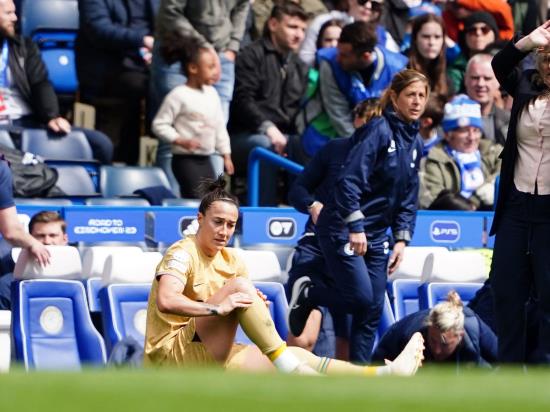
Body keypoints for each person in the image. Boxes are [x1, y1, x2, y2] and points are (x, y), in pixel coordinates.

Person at [143, 175, 425, 375]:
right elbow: (167, 300)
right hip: (172, 358)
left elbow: (236, 304)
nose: (224, 231)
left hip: (213, 355)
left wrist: (251, 303)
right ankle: (288, 368)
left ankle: (382, 376)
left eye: (231, 225)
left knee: (299, 355)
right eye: (217, 222)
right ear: (200, 219)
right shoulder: (182, 251)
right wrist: (220, 306)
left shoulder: (233, 259)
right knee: (242, 290)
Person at [289, 69, 429, 363]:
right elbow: (348, 182)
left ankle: (361, 376)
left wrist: (402, 239)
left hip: (377, 235)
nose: (416, 102)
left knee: (372, 308)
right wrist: (355, 226)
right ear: (394, 97)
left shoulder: (415, 144)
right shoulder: (378, 131)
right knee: (360, 299)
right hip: (343, 228)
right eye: (410, 95)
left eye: (422, 96)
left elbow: (408, 197)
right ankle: (312, 294)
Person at [286, 97, 379, 359]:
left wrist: (398, 241)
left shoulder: (390, 161)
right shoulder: (335, 149)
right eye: (364, 123)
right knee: (303, 339)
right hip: (316, 248)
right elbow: (297, 189)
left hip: (354, 256)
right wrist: (312, 204)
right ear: (355, 121)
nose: (368, 131)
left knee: (348, 346)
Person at [490, 20, 550, 364]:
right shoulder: (525, 84)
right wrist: (528, 40)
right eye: (547, 54)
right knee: (505, 291)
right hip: (517, 203)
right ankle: (509, 370)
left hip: (549, 212)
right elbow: (500, 65)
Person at [149, 0, 250, 193]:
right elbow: (170, 12)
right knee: (174, 134)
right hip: (178, 53)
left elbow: (242, 6)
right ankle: (171, 209)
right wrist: (203, 47)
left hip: (222, 55)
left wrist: (233, 46)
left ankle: (211, 207)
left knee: (213, 132)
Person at [0, 0, 113, 164]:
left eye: (15, 12)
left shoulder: (24, 47)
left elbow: (40, 83)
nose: (15, 18)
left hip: (24, 122)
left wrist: (51, 116)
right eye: (8, 13)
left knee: (101, 144)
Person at [229, 1, 309, 206]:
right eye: (292, 27)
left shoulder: (299, 65)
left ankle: (302, 213)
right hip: (244, 136)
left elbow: (298, 112)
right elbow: (242, 101)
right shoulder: (251, 54)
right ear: (273, 24)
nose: (299, 34)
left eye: (302, 29)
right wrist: (269, 129)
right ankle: (264, 217)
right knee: (265, 146)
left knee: (307, 144)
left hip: (283, 137)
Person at [298, 21, 407, 158]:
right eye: (339, 51)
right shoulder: (330, 64)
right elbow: (338, 114)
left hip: (374, 143)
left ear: (365, 56)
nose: (338, 58)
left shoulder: (396, 69)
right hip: (326, 138)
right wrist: (363, 149)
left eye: (344, 55)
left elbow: (397, 116)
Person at [75, 0, 159, 165]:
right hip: (108, 65)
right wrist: (142, 40)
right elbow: (98, 29)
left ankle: (159, 157)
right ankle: (116, 163)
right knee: (137, 86)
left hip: (147, 62)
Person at [152, 36, 233, 199]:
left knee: (213, 199)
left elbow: (219, 126)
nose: (216, 72)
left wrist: (226, 154)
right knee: (199, 198)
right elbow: (159, 124)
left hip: (206, 158)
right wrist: (180, 140)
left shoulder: (212, 93)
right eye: (210, 67)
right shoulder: (178, 94)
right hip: (184, 159)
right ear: (193, 68)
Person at [419, 95, 502, 210]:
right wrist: (470, 203)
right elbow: (432, 199)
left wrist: (490, 186)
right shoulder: (433, 160)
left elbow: (509, 172)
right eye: (464, 131)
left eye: (476, 130)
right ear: (448, 135)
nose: (472, 137)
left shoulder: (494, 152)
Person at [373, 291, 498, 367]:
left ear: (460, 335)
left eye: (445, 344)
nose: (437, 350)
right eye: (433, 340)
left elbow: (506, 363)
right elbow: (376, 366)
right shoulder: (407, 334)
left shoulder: (474, 328)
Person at [0, 185, 54, 309]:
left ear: (65, 238)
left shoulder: (79, 283)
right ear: (29, 239)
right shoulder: (6, 287)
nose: (47, 241)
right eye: (40, 236)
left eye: (53, 235)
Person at [299, 0, 400, 66]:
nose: (368, 6)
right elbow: (305, 57)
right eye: (363, 1)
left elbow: (396, 64)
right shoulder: (325, 20)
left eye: (374, 5)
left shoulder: (383, 35)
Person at [448, 12, 501, 93]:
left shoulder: (506, 63)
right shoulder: (455, 70)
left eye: (484, 30)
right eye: (472, 30)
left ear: (494, 34)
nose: (478, 33)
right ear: (464, 37)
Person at [464, 53, 509, 146]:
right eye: (475, 78)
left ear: (498, 81)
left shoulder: (510, 120)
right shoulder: (450, 117)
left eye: (487, 78)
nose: (480, 84)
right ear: (465, 80)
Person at [407, 13, 451, 96]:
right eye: (426, 36)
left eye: (437, 37)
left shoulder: (446, 75)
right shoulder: (401, 69)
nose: (431, 42)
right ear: (415, 39)